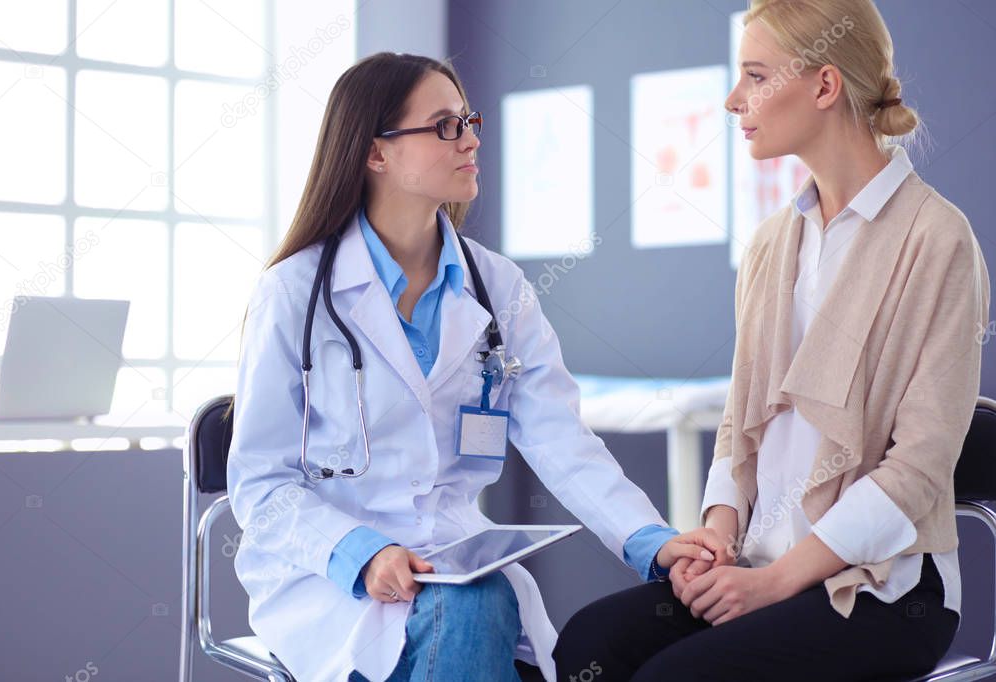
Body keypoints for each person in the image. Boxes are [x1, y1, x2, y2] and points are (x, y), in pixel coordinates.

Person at [225, 52, 727, 682]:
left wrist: (651, 540)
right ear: (375, 152)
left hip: (455, 557)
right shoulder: (294, 293)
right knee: (479, 608)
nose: (470, 140)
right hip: (327, 576)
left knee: (479, 605)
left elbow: (561, 440)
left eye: (468, 120)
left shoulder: (498, 287)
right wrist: (361, 552)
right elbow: (261, 486)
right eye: (444, 126)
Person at [554, 1, 990, 680]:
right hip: (757, 565)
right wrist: (720, 539)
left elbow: (920, 465)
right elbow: (740, 425)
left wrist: (779, 580)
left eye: (754, 76)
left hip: (880, 592)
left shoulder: (936, 240)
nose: (734, 100)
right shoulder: (769, 245)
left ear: (823, 86)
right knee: (589, 644)